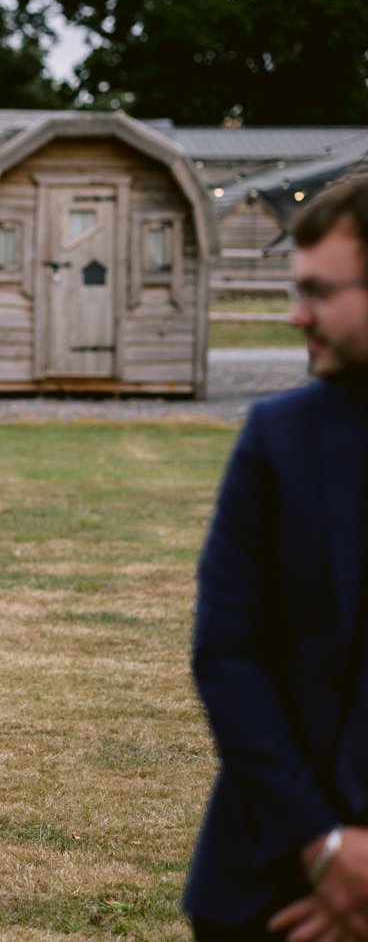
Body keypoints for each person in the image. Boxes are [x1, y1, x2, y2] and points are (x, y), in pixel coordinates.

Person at [185, 177, 368, 940]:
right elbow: (227, 651)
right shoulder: (278, 437)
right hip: (275, 880)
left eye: (318, 292)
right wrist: (327, 845)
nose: (297, 315)